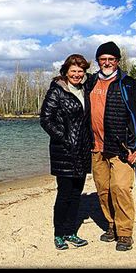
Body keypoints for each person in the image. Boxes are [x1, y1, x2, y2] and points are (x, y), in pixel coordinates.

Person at [84, 41, 136, 252]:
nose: (107, 62)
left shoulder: (129, 84)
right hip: (96, 147)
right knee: (103, 190)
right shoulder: (90, 83)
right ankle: (111, 225)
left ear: (118, 61)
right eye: (103, 59)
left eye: (111, 59)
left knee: (120, 188)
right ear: (98, 61)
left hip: (122, 149)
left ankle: (125, 233)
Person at [40, 54, 93, 250]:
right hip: (63, 151)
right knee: (64, 194)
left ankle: (71, 232)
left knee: (76, 194)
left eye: (80, 71)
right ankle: (59, 234)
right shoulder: (57, 91)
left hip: (82, 150)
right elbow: (46, 120)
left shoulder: (85, 90)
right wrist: (64, 137)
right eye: (73, 71)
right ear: (66, 72)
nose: (77, 74)